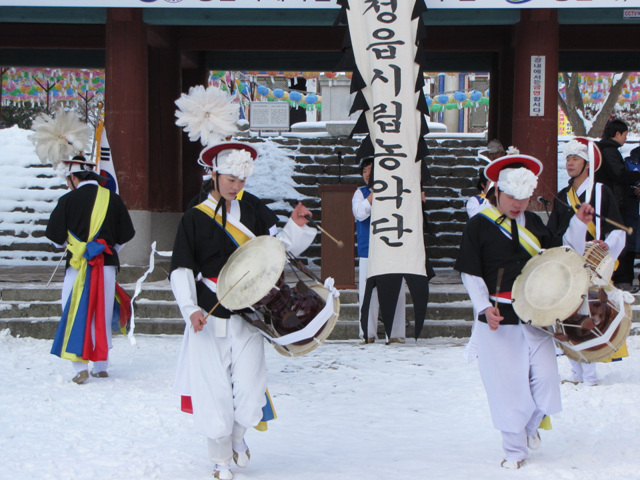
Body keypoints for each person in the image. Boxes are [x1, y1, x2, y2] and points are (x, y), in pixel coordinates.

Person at [170, 140, 317, 480]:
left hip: (252, 313)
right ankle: (220, 458)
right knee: (214, 390)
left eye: (242, 181)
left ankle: (238, 436)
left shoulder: (251, 208)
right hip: (208, 315)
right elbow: (180, 268)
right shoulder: (194, 217)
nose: (237, 187)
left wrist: (295, 224)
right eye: (231, 180)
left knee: (251, 387)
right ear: (214, 174)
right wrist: (190, 307)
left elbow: (275, 249)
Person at [455, 153, 594, 469]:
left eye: (524, 198)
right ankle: (515, 451)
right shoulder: (478, 226)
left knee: (546, 380)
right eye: (512, 197)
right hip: (499, 317)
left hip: (536, 315)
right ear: (497, 193)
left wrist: (578, 223)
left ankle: (530, 427)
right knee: (509, 388)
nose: (518, 204)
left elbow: (562, 254)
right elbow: (471, 273)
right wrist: (483, 308)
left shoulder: (533, 223)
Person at [45, 155, 135, 384]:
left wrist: (78, 247)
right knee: (102, 313)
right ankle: (101, 365)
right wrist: (103, 248)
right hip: (105, 265)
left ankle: (80, 366)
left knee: (74, 311)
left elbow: (56, 240)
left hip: (77, 266)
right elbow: (125, 236)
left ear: (74, 177)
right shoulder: (113, 199)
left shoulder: (67, 200)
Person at [547, 138, 626, 386]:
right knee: (566, 316)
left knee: (588, 317)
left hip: (593, 263)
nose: (569, 163)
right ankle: (575, 370)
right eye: (568, 158)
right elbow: (553, 232)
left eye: (575, 159)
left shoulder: (602, 191)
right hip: (569, 262)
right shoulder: (563, 195)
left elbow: (618, 228)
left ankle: (590, 374)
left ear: (587, 164)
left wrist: (608, 244)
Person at [352, 156, 406, 344]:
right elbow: (359, 213)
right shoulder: (361, 193)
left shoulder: (394, 190)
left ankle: (396, 333)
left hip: (391, 247)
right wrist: (372, 194)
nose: (368, 174)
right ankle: (367, 333)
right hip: (369, 249)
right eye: (365, 171)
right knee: (368, 292)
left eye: (371, 170)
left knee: (396, 289)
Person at [595, 119, 640, 291]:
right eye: (625, 135)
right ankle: (620, 280)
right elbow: (618, 175)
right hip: (612, 202)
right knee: (619, 240)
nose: (625, 139)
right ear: (618, 133)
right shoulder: (609, 150)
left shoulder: (605, 149)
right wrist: (636, 178)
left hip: (609, 200)